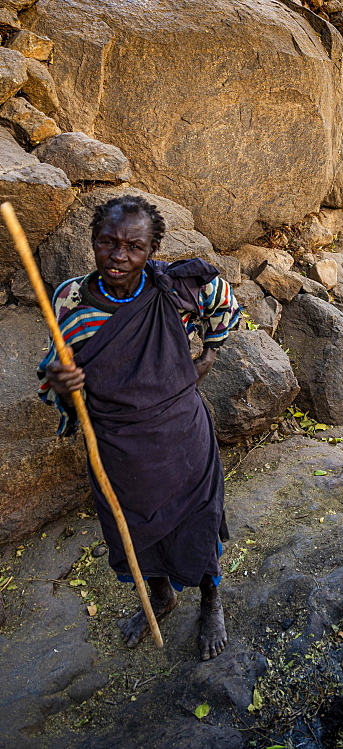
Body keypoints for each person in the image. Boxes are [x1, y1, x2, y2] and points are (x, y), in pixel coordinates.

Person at [38, 194, 241, 660]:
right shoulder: (71, 301)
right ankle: (162, 595)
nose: (119, 256)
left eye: (134, 246)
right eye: (107, 243)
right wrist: (62, 381)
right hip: (117, 448)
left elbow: (224, 304)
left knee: (197, 522)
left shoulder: (177, 287)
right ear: (92, 243)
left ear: (152, 250)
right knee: (133, 533)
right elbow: (58, 376)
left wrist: (206, 356)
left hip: (182, 439)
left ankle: (211, 601)